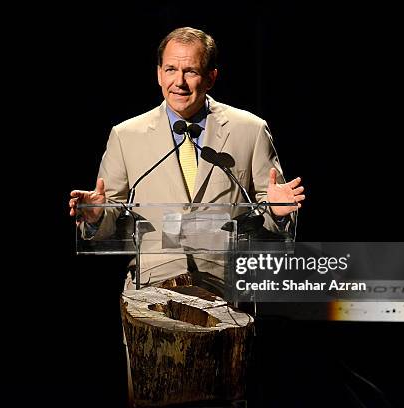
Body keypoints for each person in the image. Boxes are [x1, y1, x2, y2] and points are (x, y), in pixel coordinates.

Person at [69, 27, 305, 296]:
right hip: (150, 291)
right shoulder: (126, 136)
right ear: (159, 74)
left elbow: (271, 205)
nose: (178, 82)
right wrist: (96, 215)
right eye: (170, 70)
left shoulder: (249, 130)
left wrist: (277, 210)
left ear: (210, 78)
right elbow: (110, 210)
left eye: (190, 71)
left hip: (226, 292)